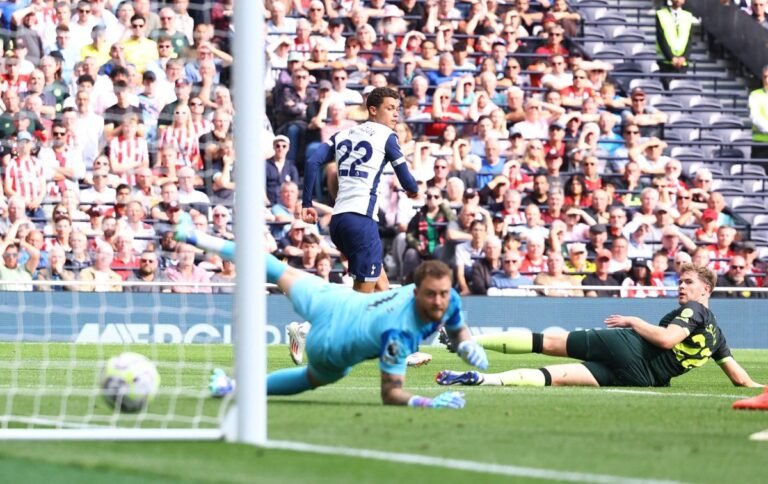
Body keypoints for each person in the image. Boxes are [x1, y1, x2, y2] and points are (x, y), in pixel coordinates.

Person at [175, 222, 487, 408]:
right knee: (315, 376)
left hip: (337, 302)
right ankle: (195, 237)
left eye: (443, 294)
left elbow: (456, 323)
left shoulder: (446, 296)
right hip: (331, 340)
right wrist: (427, 402)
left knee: (275, 269)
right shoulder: (399, 335)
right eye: (431, 294)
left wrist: (466, 342)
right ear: (416, 292)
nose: (438, 301)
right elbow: (391, 393)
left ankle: (194, 236)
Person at [436, 263, 762, 389]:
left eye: (688, 282)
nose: (681, 286)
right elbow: (741, 379)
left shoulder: (695, 309)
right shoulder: (717, 336)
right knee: (555, 377)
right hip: (644, 379)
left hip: (630, 347)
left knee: (550, 342)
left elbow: (666, 339)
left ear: (706, 290)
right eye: (680, 281)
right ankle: (485, 380)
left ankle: (463, 339)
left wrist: (634, 321)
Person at [301, 87, 418, 293]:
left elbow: (312, 162)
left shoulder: (342, 134)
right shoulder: (387, 136)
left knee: (382, 288)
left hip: (338, 222)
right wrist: (412, 189)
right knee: (361, 300)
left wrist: (307, 203)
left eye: (397, 109)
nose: (395, 114)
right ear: (373, 110)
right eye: (390, 108)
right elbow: (409, 183)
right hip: (361, 221)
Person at [655, 0, 694, 76]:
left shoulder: (688, 16)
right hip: (665, 62)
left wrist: (684, 57)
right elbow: (661, 39)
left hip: (682, 63)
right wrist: (671, 58)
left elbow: (690, 40)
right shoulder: (661, 14)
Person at [749, 64, 768, 160]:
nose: (767, 80)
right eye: (765, 77)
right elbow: (755, 117)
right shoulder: (755, 95)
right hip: (761, 144)